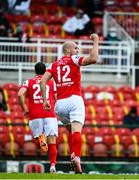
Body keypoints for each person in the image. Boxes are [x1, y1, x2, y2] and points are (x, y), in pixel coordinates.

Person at [40, 33, 99, 174]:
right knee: (77, 131)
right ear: (69, 50)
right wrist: (96, 41)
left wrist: (45, 100)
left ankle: (73, 154)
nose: (77, 51)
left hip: (59, 105)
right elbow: (93, 59)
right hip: (74, 99)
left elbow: (43, 81)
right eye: (76, 48)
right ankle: (77, 157)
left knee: (71, 131)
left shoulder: (53, 65)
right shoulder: (73, 59)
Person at [18, 62, 58, 173]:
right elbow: (56, 98)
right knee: (52, 140)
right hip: (49, 113)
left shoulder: (28, 82)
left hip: (35, 114)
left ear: (34, 71)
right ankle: (53, 165)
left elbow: (20, 94)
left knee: (39, 138)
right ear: (46, 71)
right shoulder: (51, 83)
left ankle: (41, 139)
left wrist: (25, 109)